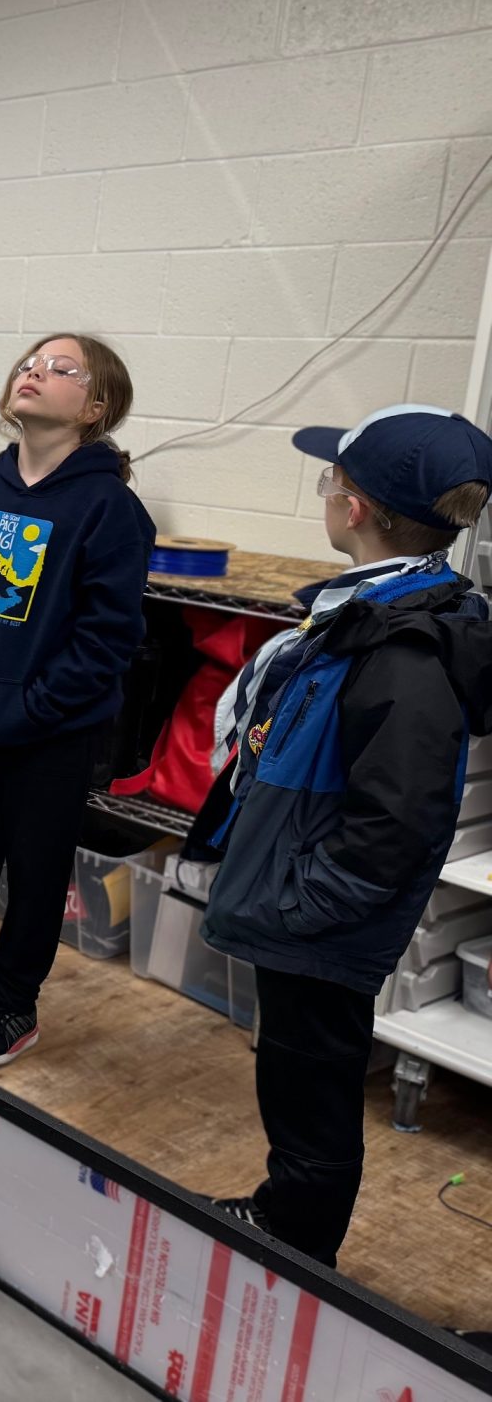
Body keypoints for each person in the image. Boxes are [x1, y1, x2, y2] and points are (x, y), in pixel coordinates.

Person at [203, 406, 492, 1267]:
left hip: (320, 923)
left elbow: (394, 826)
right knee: (293, 1077)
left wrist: (301, 904)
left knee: (311, 1091)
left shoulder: (405, 652)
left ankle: (295, 1243)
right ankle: (286, 1214)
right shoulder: (366, 614)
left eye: (335, 478)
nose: (327, 489)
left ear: (357, 508)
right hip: (306, 905)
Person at [0, 334, 153, 1067]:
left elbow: (108, 639)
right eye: (29, 364)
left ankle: (13, 1005)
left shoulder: (109, 508)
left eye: (61, 369)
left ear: (96, 408)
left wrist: (36, 706)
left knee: (36, 872)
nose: (34, 373)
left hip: (54, 733)